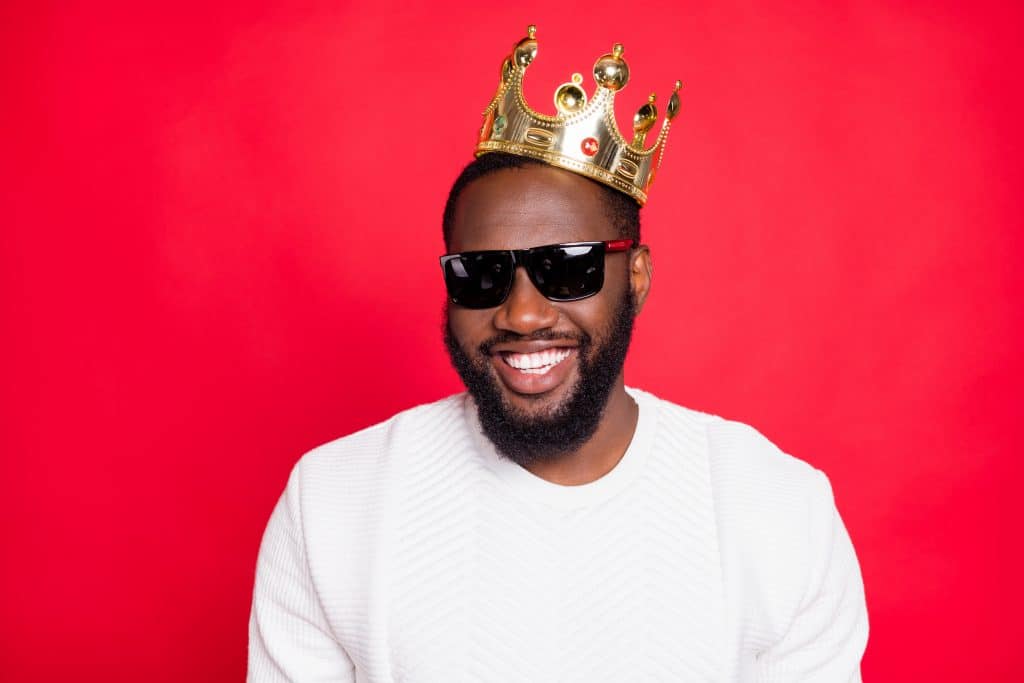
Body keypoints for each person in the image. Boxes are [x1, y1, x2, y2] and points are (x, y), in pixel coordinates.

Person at [248, 26, 868, 682]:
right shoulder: (334, 503)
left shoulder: (774, 508)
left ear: (637, 278)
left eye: (568, 268)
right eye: (482, 274)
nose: (522, 313)